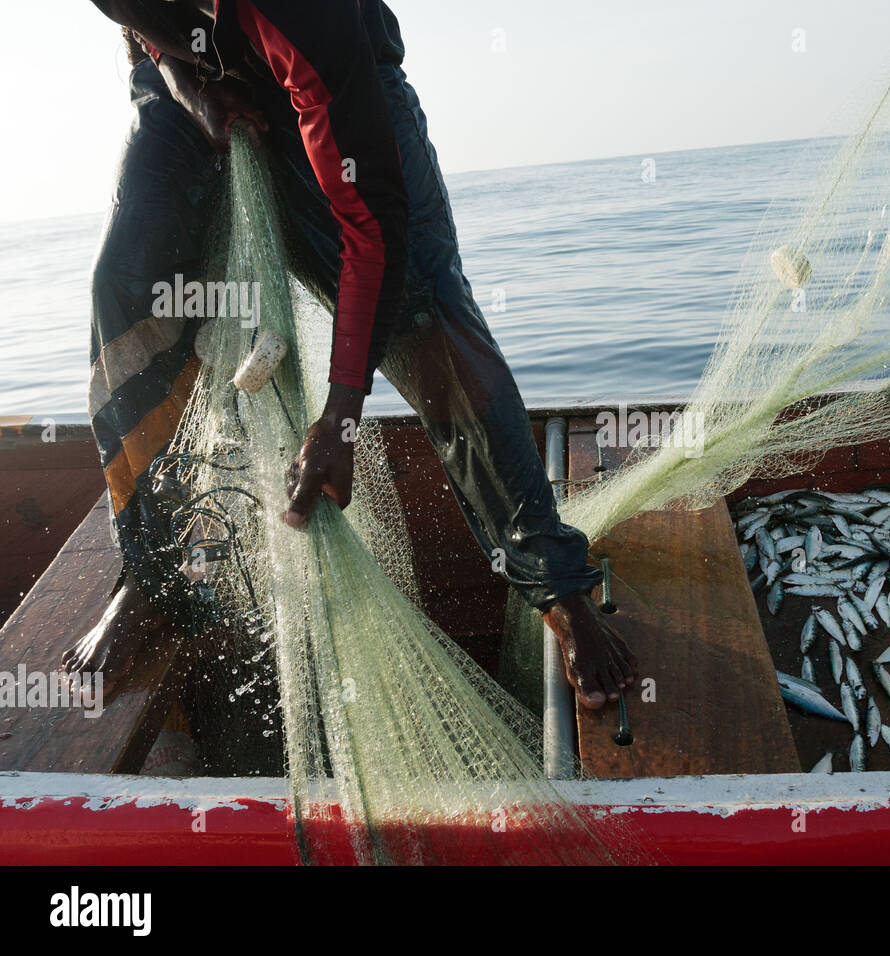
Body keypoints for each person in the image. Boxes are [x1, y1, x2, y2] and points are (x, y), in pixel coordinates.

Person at [64, 0, 636, 710]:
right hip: (189, 81)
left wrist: (342, 416)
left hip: (334, 85)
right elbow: (138, 23)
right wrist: (189, 88)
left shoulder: (305, 17)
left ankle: (555, 584)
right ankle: (151, 578)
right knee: (123, 287)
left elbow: (373, 230)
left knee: (427, 327)